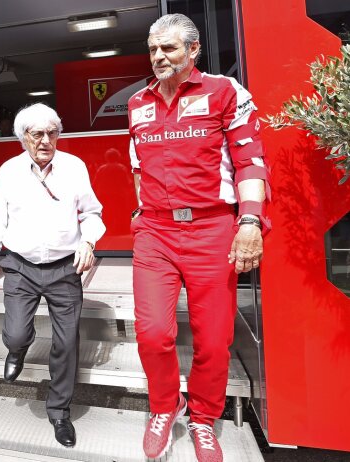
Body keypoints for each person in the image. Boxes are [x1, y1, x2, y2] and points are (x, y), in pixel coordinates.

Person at [128, 14, 270, 461]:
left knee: (213, 339)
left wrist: (249, 222)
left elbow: (250, 161)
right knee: (152, 334)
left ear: (193, 51)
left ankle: (204, 418)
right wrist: (141, 213)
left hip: (213, 230)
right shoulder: (137, 103)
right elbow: (138, 169)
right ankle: (165, 406)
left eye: (168, 48)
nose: (158, 57)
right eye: (153, 49)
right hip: (155, 231)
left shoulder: (225, 92)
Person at [0, 103, 106, 448]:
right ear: (23, 137)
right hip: (20, 265)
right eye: (37, 133)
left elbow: (93, 213)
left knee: (66, 343)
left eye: (52, 132)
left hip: (65, 267)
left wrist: (88, 241)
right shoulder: (9, 170)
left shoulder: (74, 167)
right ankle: (17, 350)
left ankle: (59, 412)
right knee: (18, 334)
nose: (46, 140)